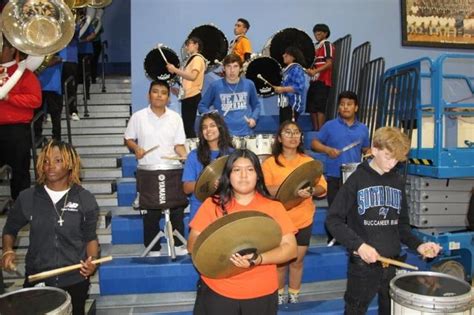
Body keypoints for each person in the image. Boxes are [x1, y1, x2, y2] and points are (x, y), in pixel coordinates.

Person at [325, 127, 442, 315]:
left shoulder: (396, 180)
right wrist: (360, 246)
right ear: (374, 149)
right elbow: (333, 220)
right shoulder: (356, 179)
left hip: (394, 262)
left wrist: (419, 245)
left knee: (390, 310)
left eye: (397, 159)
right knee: (355, 309)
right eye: (388, 156)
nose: (392, 163)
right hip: (363, 265)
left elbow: (402, 227)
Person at [188, 149, 297, 315]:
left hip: (261, 293)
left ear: (258, 175)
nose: (243, 175)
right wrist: (215, 253)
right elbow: (193, 243)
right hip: (217, 290)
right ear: (228, 175)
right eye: (237, 170)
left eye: (250, 169)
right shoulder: (212, 204)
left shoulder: (274, 207)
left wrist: (258, 259)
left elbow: (290, 248)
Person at [2, 140, 100, 315]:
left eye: (58, 160)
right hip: (38, 279)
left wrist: (91, 261)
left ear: (70, 164)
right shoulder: (27, 197)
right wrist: (7, 250)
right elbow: (10, 230)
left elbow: (90, 238)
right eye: (46, 161)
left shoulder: (85, 199)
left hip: (74, 280)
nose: (50, 166)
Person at [262, 121, 327, 305]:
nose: (293, 136)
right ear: (280, 138)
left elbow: (322, 187)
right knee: (281, 262)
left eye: (297, 132)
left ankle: (294, 293)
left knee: (297, 261)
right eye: (288, 132)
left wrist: (311, 191)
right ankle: (279, 294)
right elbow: (265, 189)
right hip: (280, 221)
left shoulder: (308, 162)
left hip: (303, 219)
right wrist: (291, 190)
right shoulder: (269, 163)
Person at [124, 80, 188, 256]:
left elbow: (179, 145)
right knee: (151, 211)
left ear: (168, 98)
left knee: (177, 208)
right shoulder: (138, 117)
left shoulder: (175, 118)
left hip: (172, 168)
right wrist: (136, 148)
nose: (159, 95)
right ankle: (153, 247)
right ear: (148, 95)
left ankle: (177, 244)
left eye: (163, 93)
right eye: (155, 92)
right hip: (147, 170)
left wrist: (185, 156)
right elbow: (128, 138)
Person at [311, 91, 370, 243]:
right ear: (338, 107)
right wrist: (327, 150)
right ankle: (333, 241)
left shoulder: (363, 128)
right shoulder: (329, 126)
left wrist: (372, 153)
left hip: (354, 178)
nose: (345, 107)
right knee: (334, 213)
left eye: (349, 104)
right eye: (342, 104)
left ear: (356, 108)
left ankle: (352, 242)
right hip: (334, 177)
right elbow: (314, 143)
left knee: (354, 212)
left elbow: (365, 149)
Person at [0, 37, 42, 202]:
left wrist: (10, 97)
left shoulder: (24, 74)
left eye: (3, 48)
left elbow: (35, 100)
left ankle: (21, 208)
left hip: (16, 130)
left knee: (20, 171)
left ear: (11, 50)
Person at [182, 112, 234, 220]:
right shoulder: (193, 155)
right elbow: (186, 188)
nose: (208, 130)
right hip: (200, 208)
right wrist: (208, 183)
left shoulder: (233, 154)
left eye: (212, 125)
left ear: (220, 128)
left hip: (228, 207)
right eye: (204, 127)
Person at [198, 53, 261, 137]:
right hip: (223, 135)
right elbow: (202, 105)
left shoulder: (249, 84)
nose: (232, 70)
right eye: (229, 66)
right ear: (224, 68)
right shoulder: (215, 86)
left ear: (241, 68)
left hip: (246, 132)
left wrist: (254, 118)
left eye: (235, 66)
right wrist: (213, 117)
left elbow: (256, 105)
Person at [166, 36, 206, 138]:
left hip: (193, 96)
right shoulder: (191, 60)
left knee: (188, 128)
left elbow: (193, 76)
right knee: (187, 127)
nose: (186, 47)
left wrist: (175, 70)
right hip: (189, 96)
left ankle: (192, 150)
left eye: (188, 44)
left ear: (196, 45)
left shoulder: (197, 59)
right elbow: (190, 80)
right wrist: (180, 91)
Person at [305, 23, 334, 131]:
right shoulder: (316, 46)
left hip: (323, 80)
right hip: (314, 81)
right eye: (315, 31)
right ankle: (315, 131)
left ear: (326, 33)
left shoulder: (327, 45)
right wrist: (310, 71)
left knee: (319, 107)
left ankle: (320, 132)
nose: (317, 33)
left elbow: (329, 63)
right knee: (312, 107)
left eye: (320, 31)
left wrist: (316, 71)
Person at [273, 46, 306, 124]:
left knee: (289, 128)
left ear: (293, 57)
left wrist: (283, 89)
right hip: (285, 104)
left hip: (292, 105)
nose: (283, 55)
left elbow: (299, 87)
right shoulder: (286, 71)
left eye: (286, 54)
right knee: (284, 128)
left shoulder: (296, 68)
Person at [35, 54, 64, 141]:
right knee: (37, 115)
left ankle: (56, 139)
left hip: (53, 87)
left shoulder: (57, 55)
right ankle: (37, 137)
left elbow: (58, 59)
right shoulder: (37, 57)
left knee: (55, 114)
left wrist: (42, 63)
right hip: (39, 85)